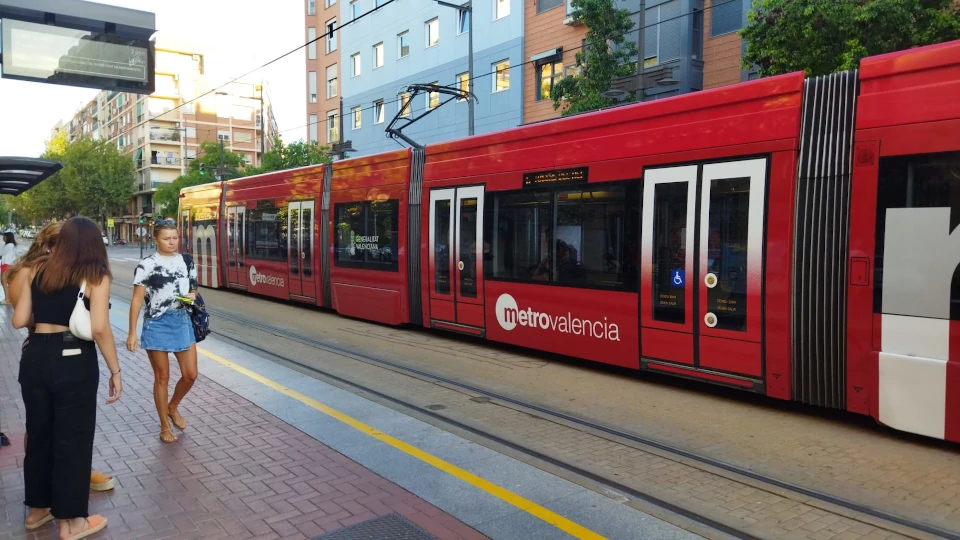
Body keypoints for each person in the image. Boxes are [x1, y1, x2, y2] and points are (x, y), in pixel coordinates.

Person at [12, 216, 122, 539]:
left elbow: (20, 319)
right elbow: (100, 328)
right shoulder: (96, 276)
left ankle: (37, 510)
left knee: (40, 435)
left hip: (34, 358)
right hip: (73, 361)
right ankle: (71, 522)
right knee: (72, 441)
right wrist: (116, 370)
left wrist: (47, 314)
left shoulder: (39, 270)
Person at [126, 218, 198, 443]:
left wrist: (192, 295)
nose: (172, 242)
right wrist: (131, 332)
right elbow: (137, 300)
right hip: (157, 323)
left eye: (175, 238)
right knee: (162, 377)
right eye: (166, 239)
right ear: (155, 239)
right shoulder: (146, 265)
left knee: (190, 374)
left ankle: (172, 406)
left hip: (182, 319)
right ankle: (164, 426)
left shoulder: (186, 261)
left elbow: (193, 287)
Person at [1, 231, 18, 304]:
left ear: (7, 237)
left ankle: (7, 299)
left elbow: (1, 253)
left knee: (4, 281)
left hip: (7, 265)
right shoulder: (11, 245)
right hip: (8, 264)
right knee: (7, 281)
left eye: (4, 236)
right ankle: (10, 297)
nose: (3, 238)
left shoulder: (9, 245)